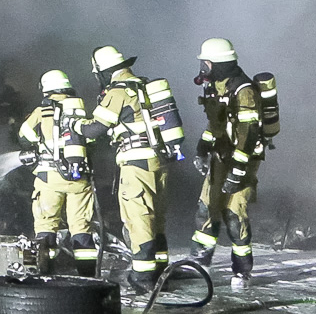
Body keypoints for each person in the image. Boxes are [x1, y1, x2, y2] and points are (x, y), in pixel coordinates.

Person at [81, 45, 185, 292]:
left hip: (136, 165)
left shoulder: (118, 92)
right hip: (158, 162)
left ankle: (143, 277)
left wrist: (75, 125)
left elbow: (95, 128)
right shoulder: (144, 86)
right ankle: (160, 271)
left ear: (104, 72)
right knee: (156, 218)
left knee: (138, 218)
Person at [188, 37, 262, 290]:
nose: (203, 67)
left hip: (244, 159)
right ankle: (199, 264)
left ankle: (242, 271)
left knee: (234, 213)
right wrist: (202, 148)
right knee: (206, 207)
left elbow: (248, 133)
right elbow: (216, 124)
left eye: (206, 63)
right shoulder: (216, 87)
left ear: (217, 63)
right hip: (220, 156)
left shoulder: (244, 90)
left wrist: (238, 171)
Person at [17, 69, 98, 276]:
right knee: (81, 227)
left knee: (46, 224)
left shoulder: (41, 111)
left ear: (46, 89)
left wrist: (39, 143)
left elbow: (23, 135)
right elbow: (91, 139)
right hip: (79, 178)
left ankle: (45, 274)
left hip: (49, 178)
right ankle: (87, 276)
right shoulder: (79, 109)